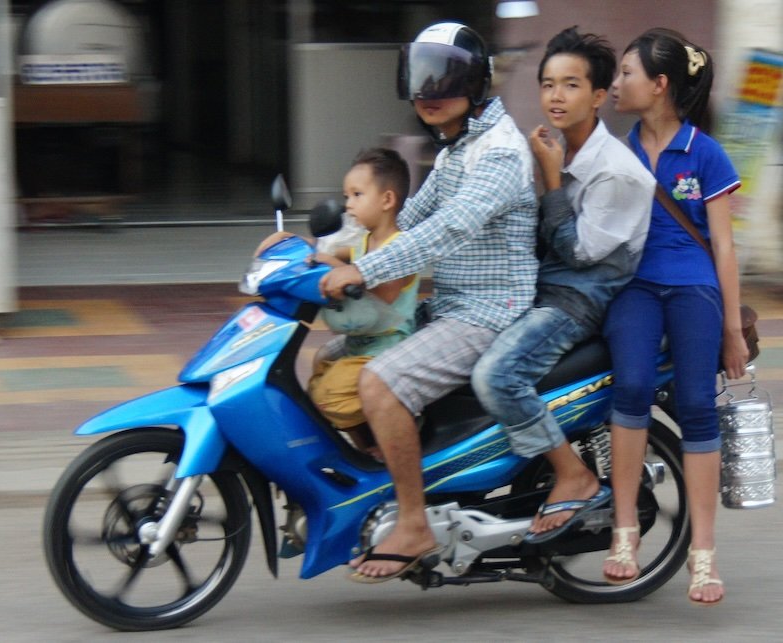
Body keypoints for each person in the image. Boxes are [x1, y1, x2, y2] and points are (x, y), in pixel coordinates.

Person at [320, 21, 539, 583]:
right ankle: (388, 477)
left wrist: (362, 270)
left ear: (476, 85)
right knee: (327, 361)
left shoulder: (499, 153)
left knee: (379, 382)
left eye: (442, 81)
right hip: (450, 308)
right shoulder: (456, 150)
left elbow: (446, 230)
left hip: (489, 312)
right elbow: (404, 223)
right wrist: (313, 253)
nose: (427, 93)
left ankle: (414, 522)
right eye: (420, 82)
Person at [470, 27, 654, 544]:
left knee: (496, 377)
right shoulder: (560, 151)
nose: (555, 96)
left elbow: (576, 254)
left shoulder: (615, 172)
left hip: (574, 305)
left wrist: (550, 180)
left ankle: (572, 472)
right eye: (548, 84)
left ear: (598, 96)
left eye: (570, 85)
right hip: (540, 292)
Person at [601, 28, 746, 605]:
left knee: (696, 408)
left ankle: (703, 555)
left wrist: (732, 331)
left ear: (659, 85)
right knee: (630, 389)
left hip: (695, 290)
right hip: (634, 288)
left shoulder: (706, 153)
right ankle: (624, 533)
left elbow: (725, 247)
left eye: (627, 73)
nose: (616, 84)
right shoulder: (617, 150)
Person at [307, 148, 419, 455]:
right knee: (316, 381)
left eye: (357, 195)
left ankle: (393, 441)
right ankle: (367, 448)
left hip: (386, 347)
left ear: (387, 200)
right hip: (360, 345)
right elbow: (327, 256)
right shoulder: (363, 241)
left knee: (328, 397)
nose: (348, 205)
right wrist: (293, 246)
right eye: (347, 196)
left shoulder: (400, 247)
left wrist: (335, 266)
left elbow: (384, 290)